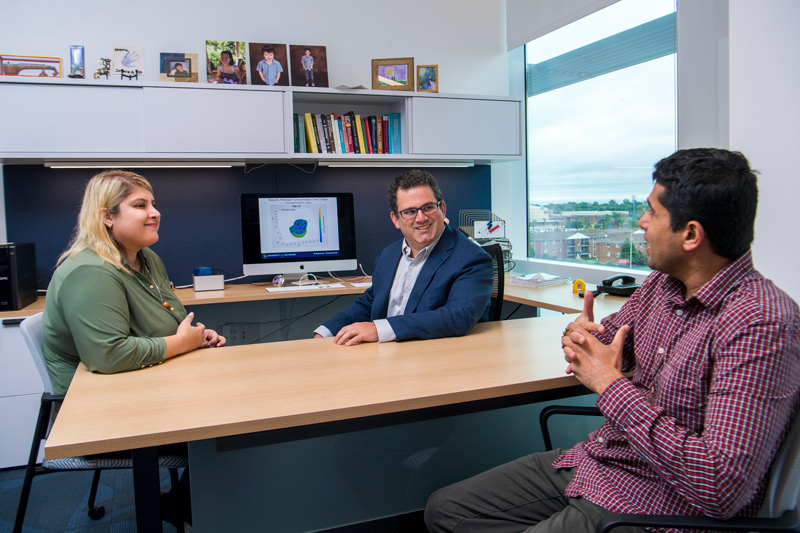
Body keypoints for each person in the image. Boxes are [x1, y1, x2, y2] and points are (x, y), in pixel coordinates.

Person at [425, 148, 800, 532]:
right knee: (446, 510)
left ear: (691, 234)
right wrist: (577, 337)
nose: (641, 222)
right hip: (603, 462)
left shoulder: (761, 324)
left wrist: (608, 382)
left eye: (653, 212)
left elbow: (720, 488)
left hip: (661, 506)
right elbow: (600, 342)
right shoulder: (661, 286)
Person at [43, 170, 226, 395]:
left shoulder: (146, 257)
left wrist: (196, 338)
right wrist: (181, 343)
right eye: (140, 205)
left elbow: (170, 323)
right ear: (107, 217)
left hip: (145, 376)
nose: (155, 213)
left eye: (153, 204)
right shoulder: (90, 271)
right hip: (95, 398)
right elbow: (109, 355)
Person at [314, 169, 494, 344]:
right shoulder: (388, 255)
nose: (421, 218)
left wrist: (378, 329)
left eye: (428, 207)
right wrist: (326, 331)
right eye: (409, 212)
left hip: (435, 358)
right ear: (395, 219)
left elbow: (457, 317)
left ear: (442, 209)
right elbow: (371, 301)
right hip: (385, 354)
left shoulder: (472, 258)